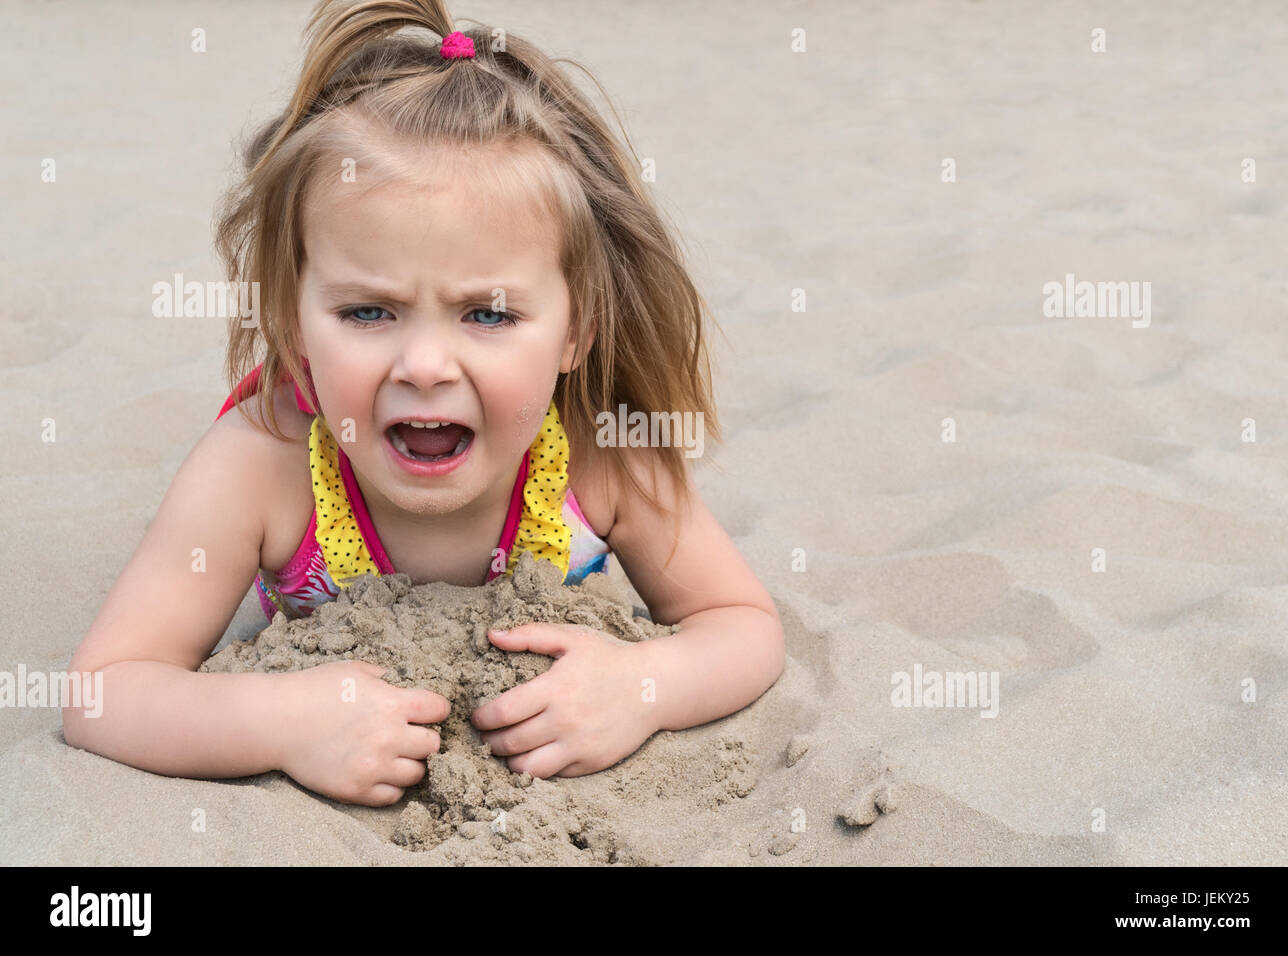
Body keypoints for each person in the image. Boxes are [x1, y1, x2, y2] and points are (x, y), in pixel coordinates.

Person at [63, 0, 785, 808]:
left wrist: (645, 687)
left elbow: (741, 623)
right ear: (292, 325)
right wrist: (278, 721)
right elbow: (104, 691)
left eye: (489, 314)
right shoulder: (262, 466)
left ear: (576, 330)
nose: (426, 365)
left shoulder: (602, 449)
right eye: (368, 312)